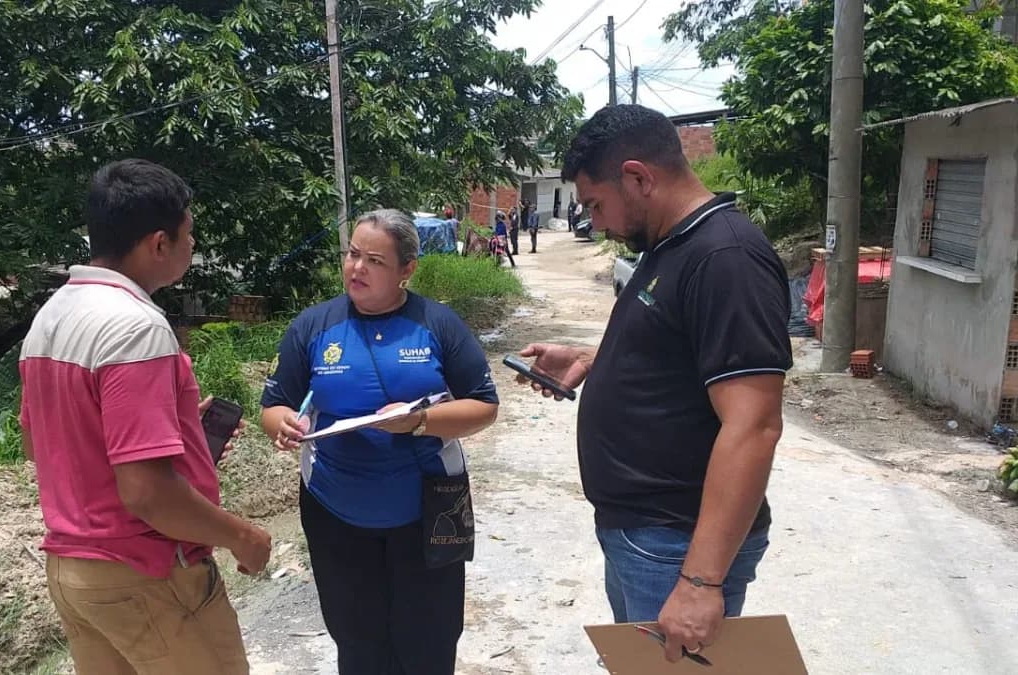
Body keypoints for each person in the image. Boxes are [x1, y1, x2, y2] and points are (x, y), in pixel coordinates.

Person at [518, 105, 791, 664]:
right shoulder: (672, 246)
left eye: (596, 204)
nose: (594, 221)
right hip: (644, 535)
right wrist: (595, 359)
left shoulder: (726, 257)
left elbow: (755, 424)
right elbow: (681, 352)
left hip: (675, 544)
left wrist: (701, 582)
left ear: (639, 177)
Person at [19, 159, 272, 675]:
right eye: (189, 235)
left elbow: (40, 441)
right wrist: (244, 537)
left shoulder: (52, 316)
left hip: (75, 574)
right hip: (146, 574)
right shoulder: (136, 329)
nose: (192, 246)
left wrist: (171, 427)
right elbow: (146, 492)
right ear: (159, 244)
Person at [262, 209, 500, 675]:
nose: (356, 268)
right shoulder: (313, 326)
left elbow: (484, 407)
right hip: (334, 511)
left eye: (374, 260)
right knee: (357, 640)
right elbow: (274, 406)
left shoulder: (438, 324)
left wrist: (419, 420)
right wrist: (283, 425)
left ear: (407, 269)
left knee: (428, 641)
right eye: (352, 254)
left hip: (430, 509)